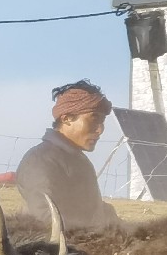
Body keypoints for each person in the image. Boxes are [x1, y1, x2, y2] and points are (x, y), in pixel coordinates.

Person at [14, 80, 118, 233]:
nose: (100, 130)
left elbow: (89, 211)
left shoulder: (78, 160)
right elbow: (46, 219)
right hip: (58, 246)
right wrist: (97, 234)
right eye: (94, 119)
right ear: (66, 118)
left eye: (102, 122)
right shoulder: (40, 160)